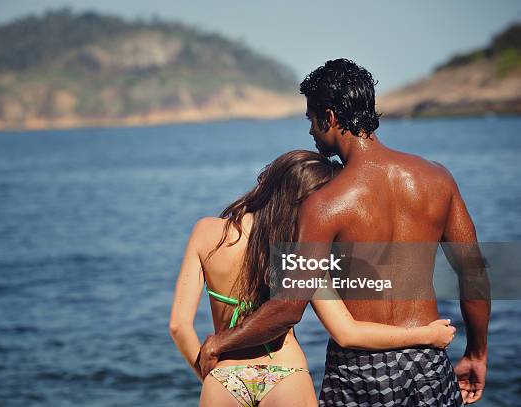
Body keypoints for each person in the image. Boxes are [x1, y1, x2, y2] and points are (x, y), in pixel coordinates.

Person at [198, 59, 490, 406]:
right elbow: (473, 273)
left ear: (330, 118)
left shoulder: (324, 205)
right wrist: (476, 352)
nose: (310, 131)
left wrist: (220, 342)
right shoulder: (437, 179)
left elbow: (289, 307)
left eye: (311, 119)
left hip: (359, 372)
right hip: (428, 362)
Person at [170, 150, 456, 407]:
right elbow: (347, 332)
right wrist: (426, 334)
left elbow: (179, 327)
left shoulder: (207, 232)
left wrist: (212, 375)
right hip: (286, 376)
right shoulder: (300, 253)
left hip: (223, 379)